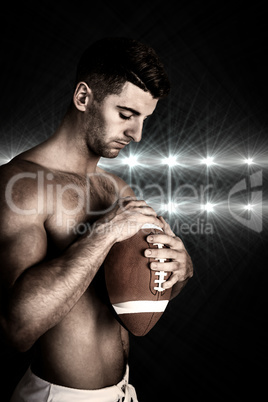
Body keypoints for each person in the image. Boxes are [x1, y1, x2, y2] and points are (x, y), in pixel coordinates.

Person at [0, 37, 193, 402]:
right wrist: (103, 234)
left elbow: (141, 293)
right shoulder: (21, 185)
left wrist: (179, 270)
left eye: (144, 119)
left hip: (124, 392)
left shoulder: (116, 189)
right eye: (126, 115)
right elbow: (16, 329)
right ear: (84, 98)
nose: (137, 135)